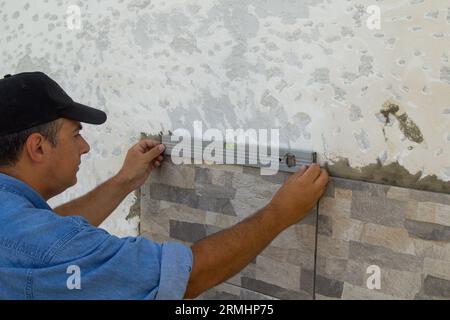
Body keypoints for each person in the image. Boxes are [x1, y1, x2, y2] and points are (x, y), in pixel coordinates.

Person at [0, 72, 329, 299]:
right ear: (38, 147)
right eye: (76, 134)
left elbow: (45, 237)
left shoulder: (17, 223)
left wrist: (123, 182)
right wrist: (280, 212)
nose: (85, 147)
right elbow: (187, 276)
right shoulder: (44, 246)